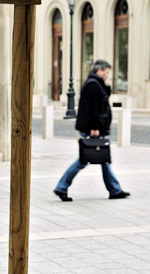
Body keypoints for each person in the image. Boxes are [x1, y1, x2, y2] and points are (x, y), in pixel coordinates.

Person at [53, 59, 129, 202]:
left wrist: (106, 85)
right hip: (92, 129)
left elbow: (103, 98)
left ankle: (115, 190)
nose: (107, 76)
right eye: (106, 73)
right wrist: (95, 128)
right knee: (83, 160)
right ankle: (62, 187)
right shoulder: (93, 85)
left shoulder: (95, 83)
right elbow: (93, 109)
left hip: (93, 128)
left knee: (104, 159)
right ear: (99, 71)